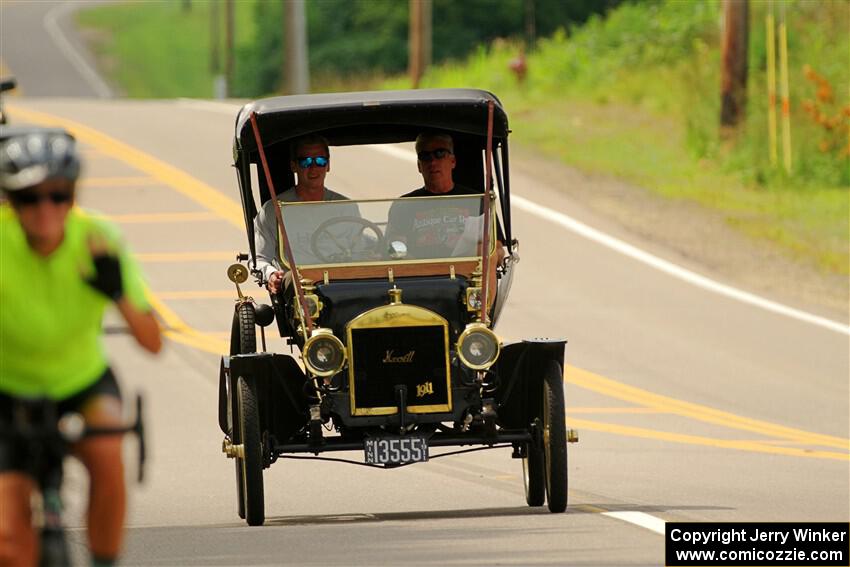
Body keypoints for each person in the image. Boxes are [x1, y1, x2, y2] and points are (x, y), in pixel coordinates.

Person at [0, 129, 162, 567]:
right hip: (7, 387)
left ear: (73, 195)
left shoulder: (98, 241)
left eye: (58, 195)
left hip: (81, 380)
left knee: (108, 454)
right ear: (10, 202)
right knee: (9, 540)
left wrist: (117, 293)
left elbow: (152, 342)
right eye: (29, 198)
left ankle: (104, 562)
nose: (45, 209)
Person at [254, 134, 361, 294]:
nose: (313, 168)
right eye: (306, 162)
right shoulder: (273, 209)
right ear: (294, 166)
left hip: (341, 284)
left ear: (328, 165)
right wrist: (271, 275)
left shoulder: (346, 207)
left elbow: (361, 250)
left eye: (320, 161)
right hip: (299, 287)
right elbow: (259, 258)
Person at [387, 132, 506, 262]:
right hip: (419, 276)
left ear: (453, 161)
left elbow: (497, 250)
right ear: (419, 166)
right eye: (425, 156)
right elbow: (395, 249)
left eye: (439, 154)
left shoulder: (478, 200)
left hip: (468, 277)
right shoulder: (404, 205)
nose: (432, 162)